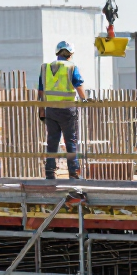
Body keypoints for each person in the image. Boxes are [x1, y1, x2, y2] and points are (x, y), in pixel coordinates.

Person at [38, 41, 86, 180]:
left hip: (50, 110)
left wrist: (41, 109)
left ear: (57, 53)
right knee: (70, 141)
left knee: (52, 141)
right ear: (70, 54)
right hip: (67, 110)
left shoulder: (45, 67)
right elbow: (78, 85)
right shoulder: (71, 67)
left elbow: (40, 91)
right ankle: (73, 172)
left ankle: (50, 172)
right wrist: (85, 99)